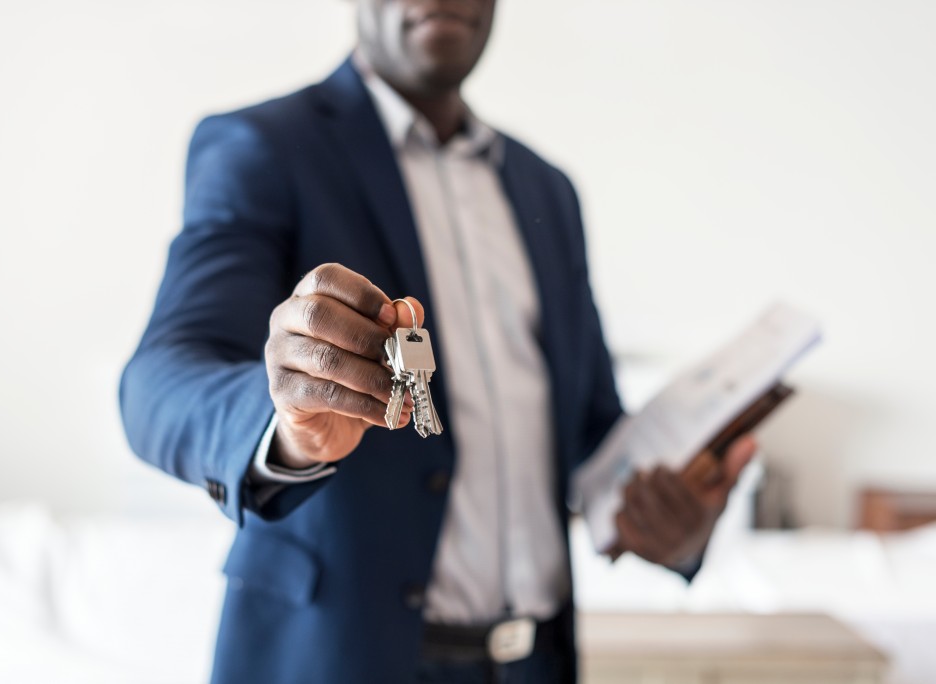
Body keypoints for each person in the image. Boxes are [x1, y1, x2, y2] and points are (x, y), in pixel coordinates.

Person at [120, 1, 756, 681]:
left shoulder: (548, 191)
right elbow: (159, 381)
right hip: (342, 660)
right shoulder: (265, 148)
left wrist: (675, 521)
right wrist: (285, 423)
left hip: (534, 662)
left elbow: (588, 433)